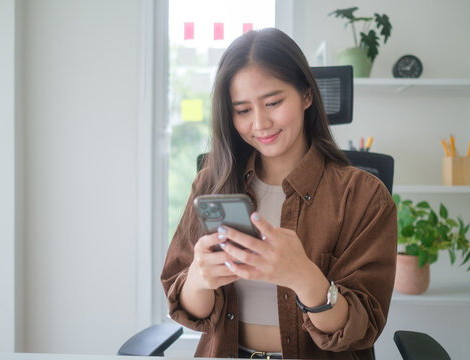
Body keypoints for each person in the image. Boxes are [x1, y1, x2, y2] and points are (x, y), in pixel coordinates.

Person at [161, 28, 397, 360]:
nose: (260, 123)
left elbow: (362, 327)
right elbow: (188, 309)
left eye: (273, 102)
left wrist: (304, 277)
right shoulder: (211, 183)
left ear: (306, 95)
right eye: (242, 110)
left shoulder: (362, 195)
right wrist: (199, 279)